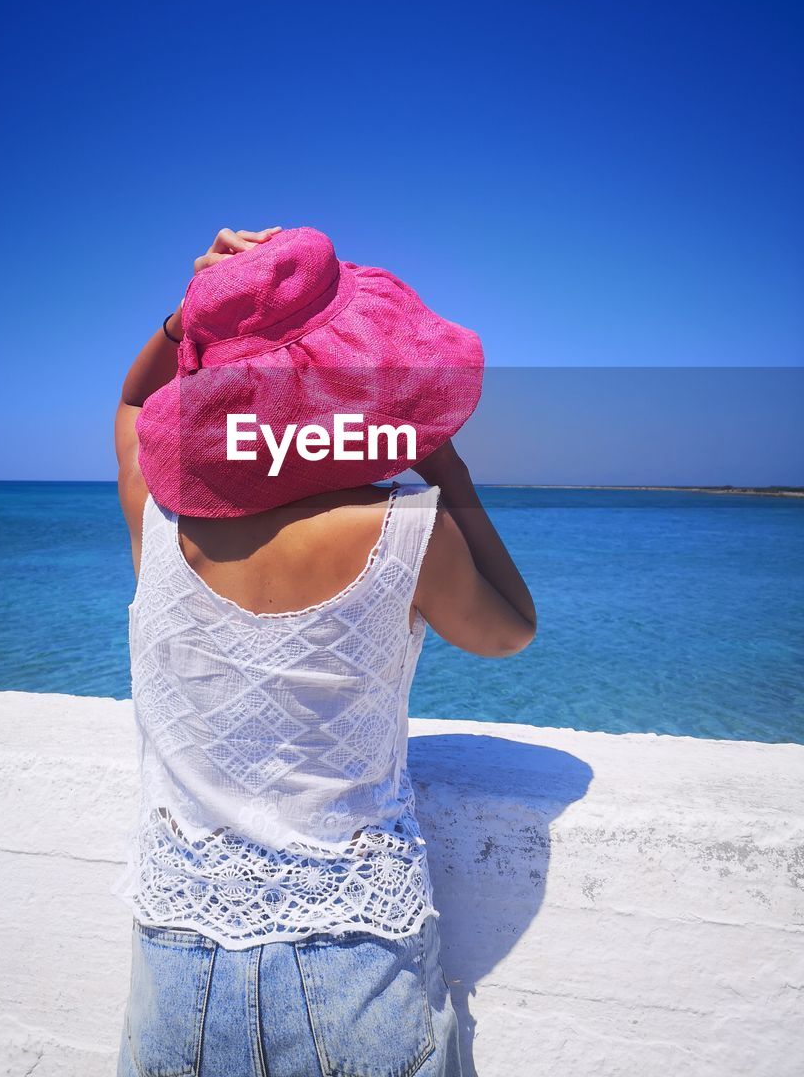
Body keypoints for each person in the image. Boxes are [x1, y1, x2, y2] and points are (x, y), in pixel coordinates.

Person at [111, 225, 537, 1077]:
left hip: (175, 964)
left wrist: (189, 312)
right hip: (355, 967)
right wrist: (444, 470)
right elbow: (510, 630)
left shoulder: (156, 524)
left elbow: (130, 410)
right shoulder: (408, 531)